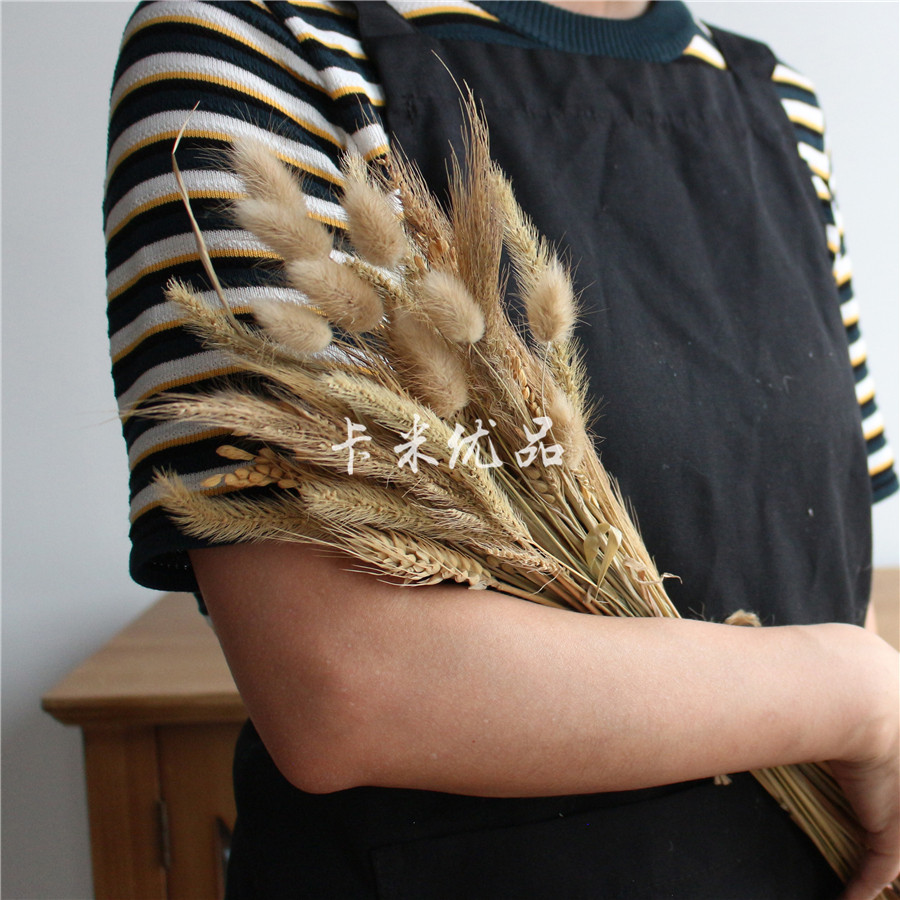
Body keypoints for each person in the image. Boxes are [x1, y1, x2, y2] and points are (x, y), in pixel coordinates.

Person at [105, 1, 900, 897]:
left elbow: (823, 564)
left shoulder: (776, 102)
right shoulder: (252, 44)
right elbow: (342, 685)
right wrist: (853, 695)